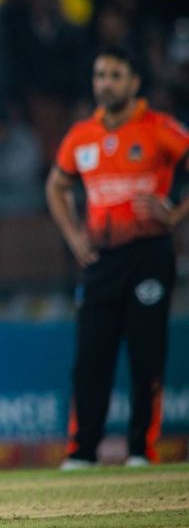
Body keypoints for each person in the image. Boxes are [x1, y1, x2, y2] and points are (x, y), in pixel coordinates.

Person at [46, 47, 189, 469]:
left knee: (147, 354)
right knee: (91, 358)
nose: (105, 84)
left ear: (133, 83)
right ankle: (82, 452)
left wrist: (175, 214)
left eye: (114, 75)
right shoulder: (82, 135)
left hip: (149, 254)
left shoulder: (159, 129)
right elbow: (56, 186)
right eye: (100, 75)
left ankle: (141, 450)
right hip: (101, 260)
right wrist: (74, 237)